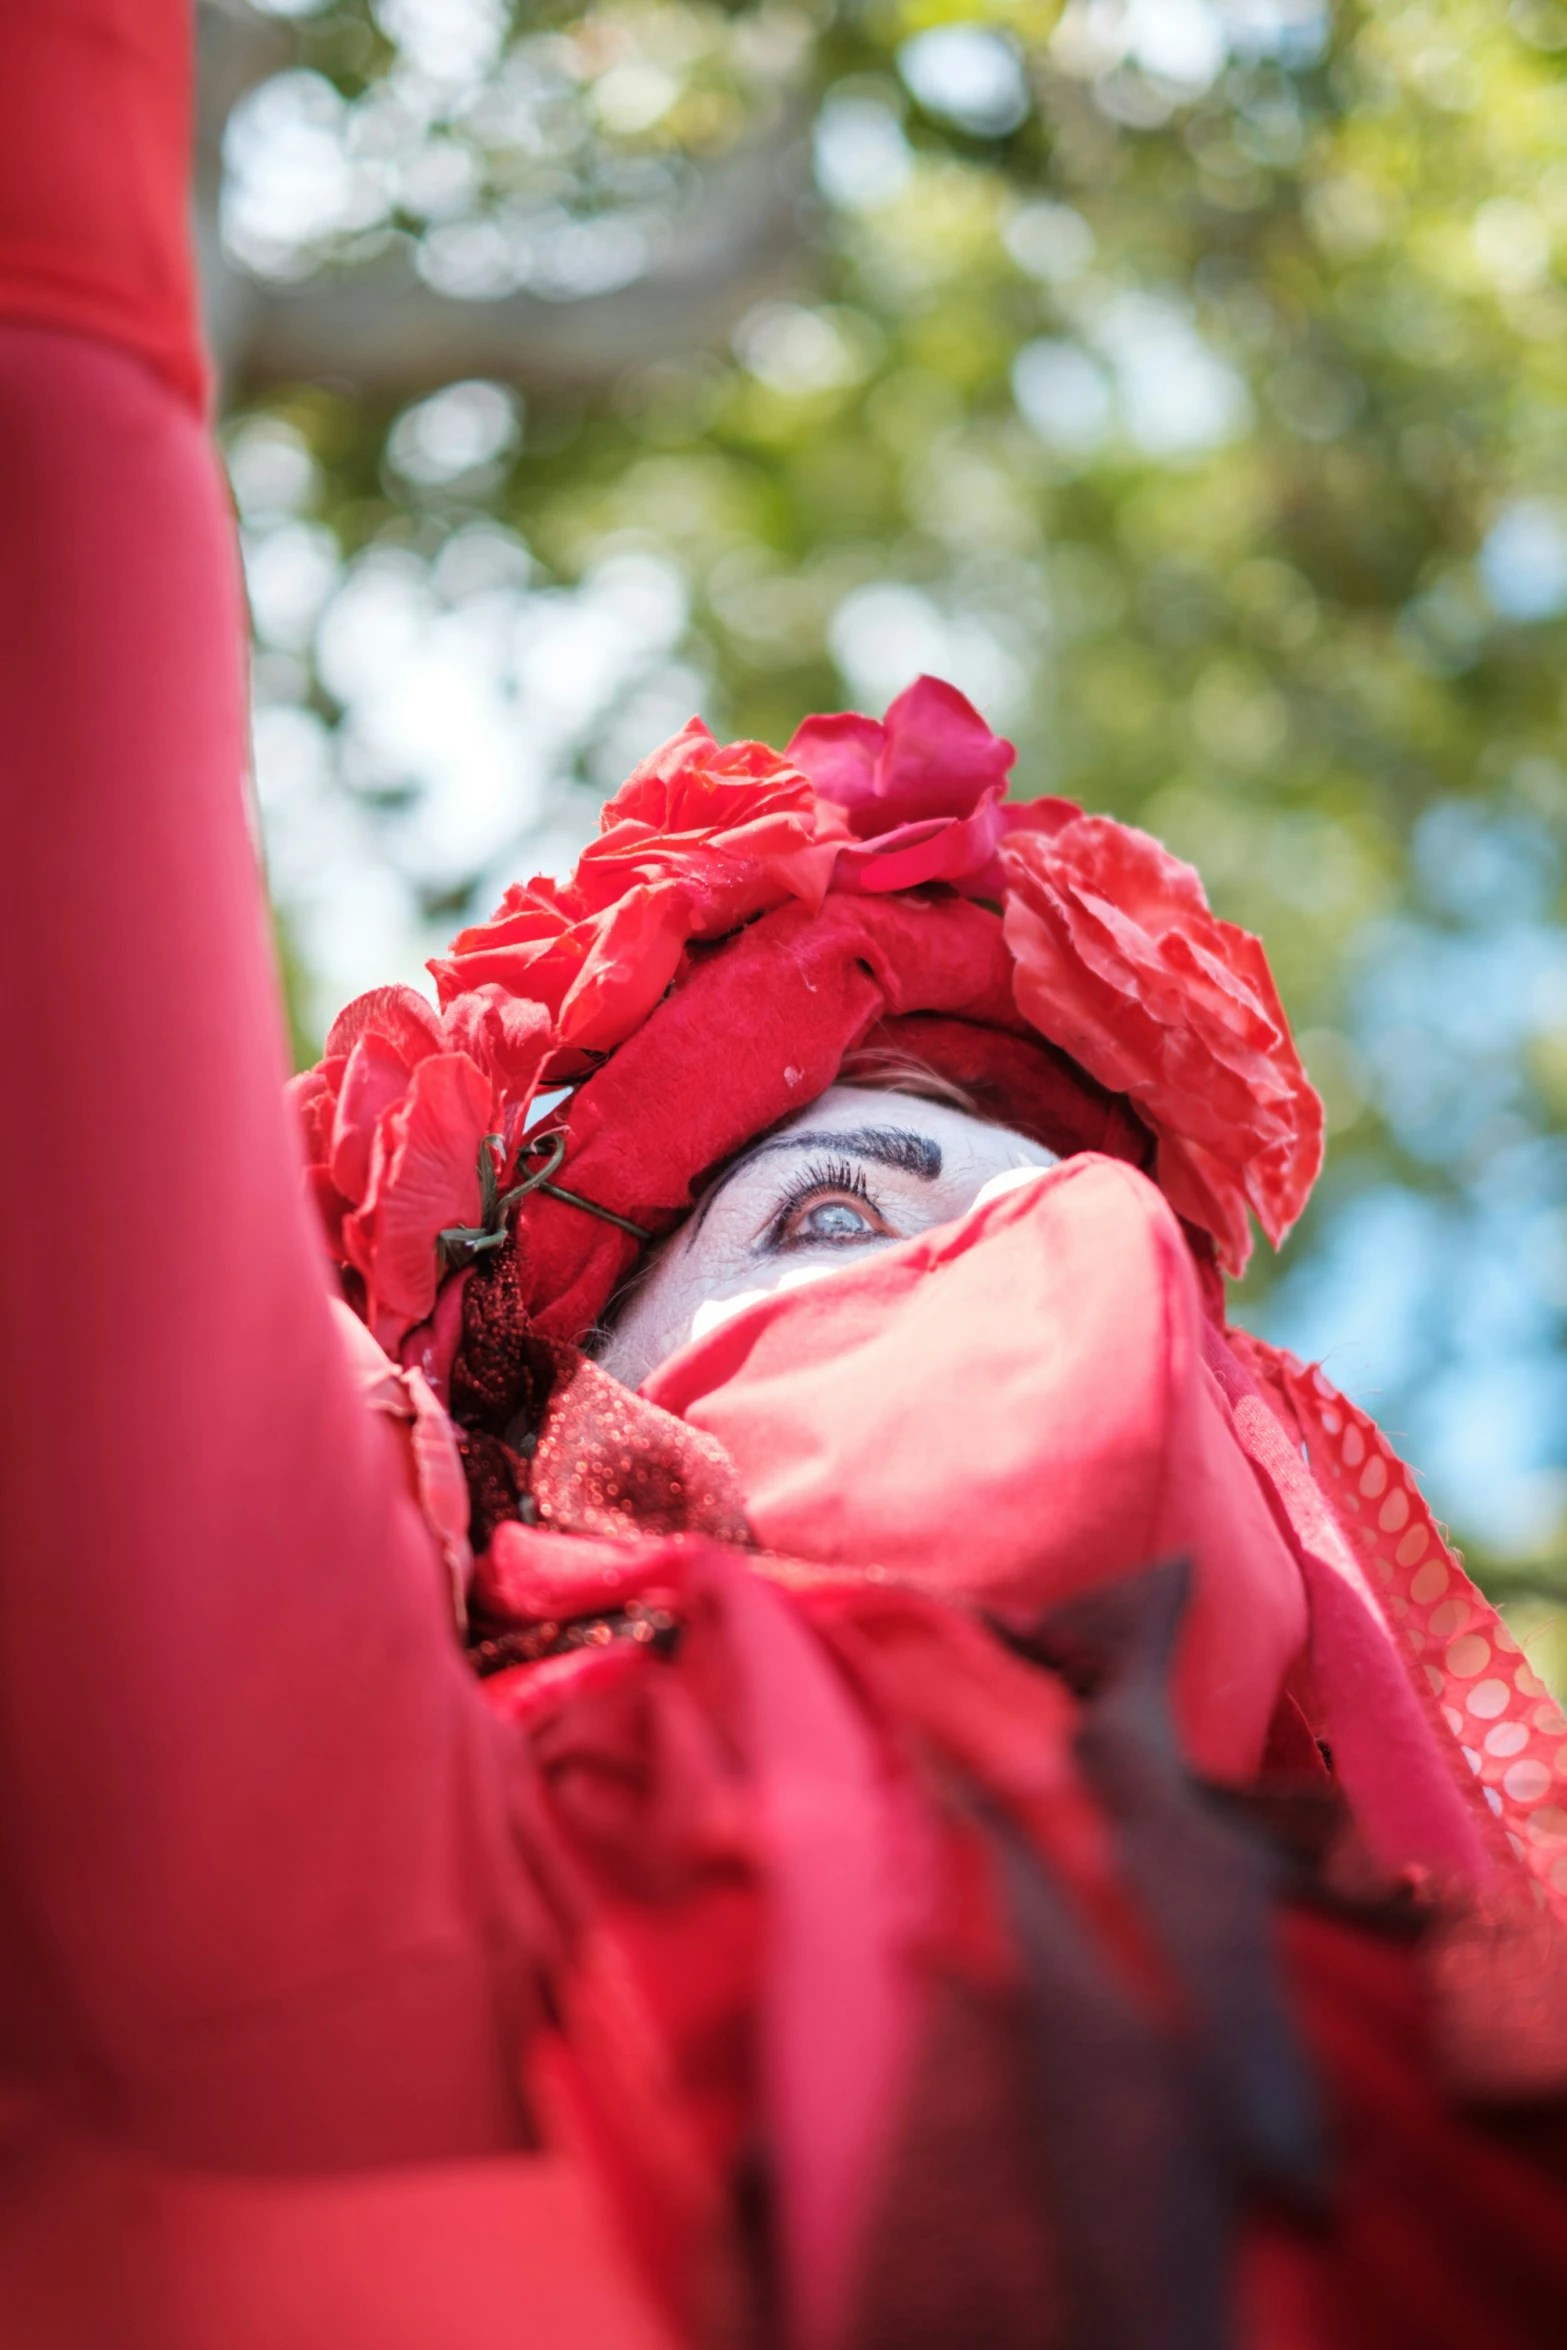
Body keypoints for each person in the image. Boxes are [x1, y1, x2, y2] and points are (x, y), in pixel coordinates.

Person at [4, 8, 1567, 2347]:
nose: (1067, 1233)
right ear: (561, 1432)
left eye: (1046, 1176)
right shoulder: (326, 1849)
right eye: (835, 1210)